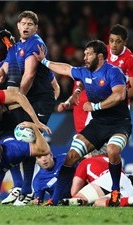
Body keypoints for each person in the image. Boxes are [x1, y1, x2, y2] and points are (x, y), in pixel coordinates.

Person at [33, 39, 132, 207]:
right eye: (84, 54)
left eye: (89, 54)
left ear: (100, 56)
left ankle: (115, 191)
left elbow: (120, 95)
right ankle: (54, 200)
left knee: (112, 151)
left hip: (119, 123)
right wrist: (44, 61)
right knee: (71, 157)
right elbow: (65, 68)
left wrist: (95, 106)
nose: (85, 57)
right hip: (98, 124)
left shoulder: (113, 72)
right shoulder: (84, 72)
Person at [0, 11, 56, 204]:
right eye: (23, 23)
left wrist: (17, 99)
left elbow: (29, 76)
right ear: (18, 26)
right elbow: (4, 70)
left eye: (30, 24)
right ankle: (22, 187)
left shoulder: (35, 44)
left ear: (36, 28)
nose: (26, 27)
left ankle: (27, 189)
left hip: (39, 100)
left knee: (30, 139)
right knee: (14, 137)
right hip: (26, 98)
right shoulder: (17, 47)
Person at [58, 24, 133, 133]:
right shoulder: (103, 51)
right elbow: (89, 74)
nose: (114, 45)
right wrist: (78, 91)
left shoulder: (129, 59)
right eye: (111, 40)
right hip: (97, 99)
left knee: (111, 143)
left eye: (118, 41)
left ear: (125, 42)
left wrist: (114, 96)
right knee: (89, 135)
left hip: (117, 105)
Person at [59, 155, 133, 207]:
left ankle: (80, 200)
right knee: (102, 202)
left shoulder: (86, 161)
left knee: (82, 198)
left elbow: (74, 191)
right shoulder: (109, 159)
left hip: (106, 180)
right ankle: (129, 200)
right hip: (124, 179)